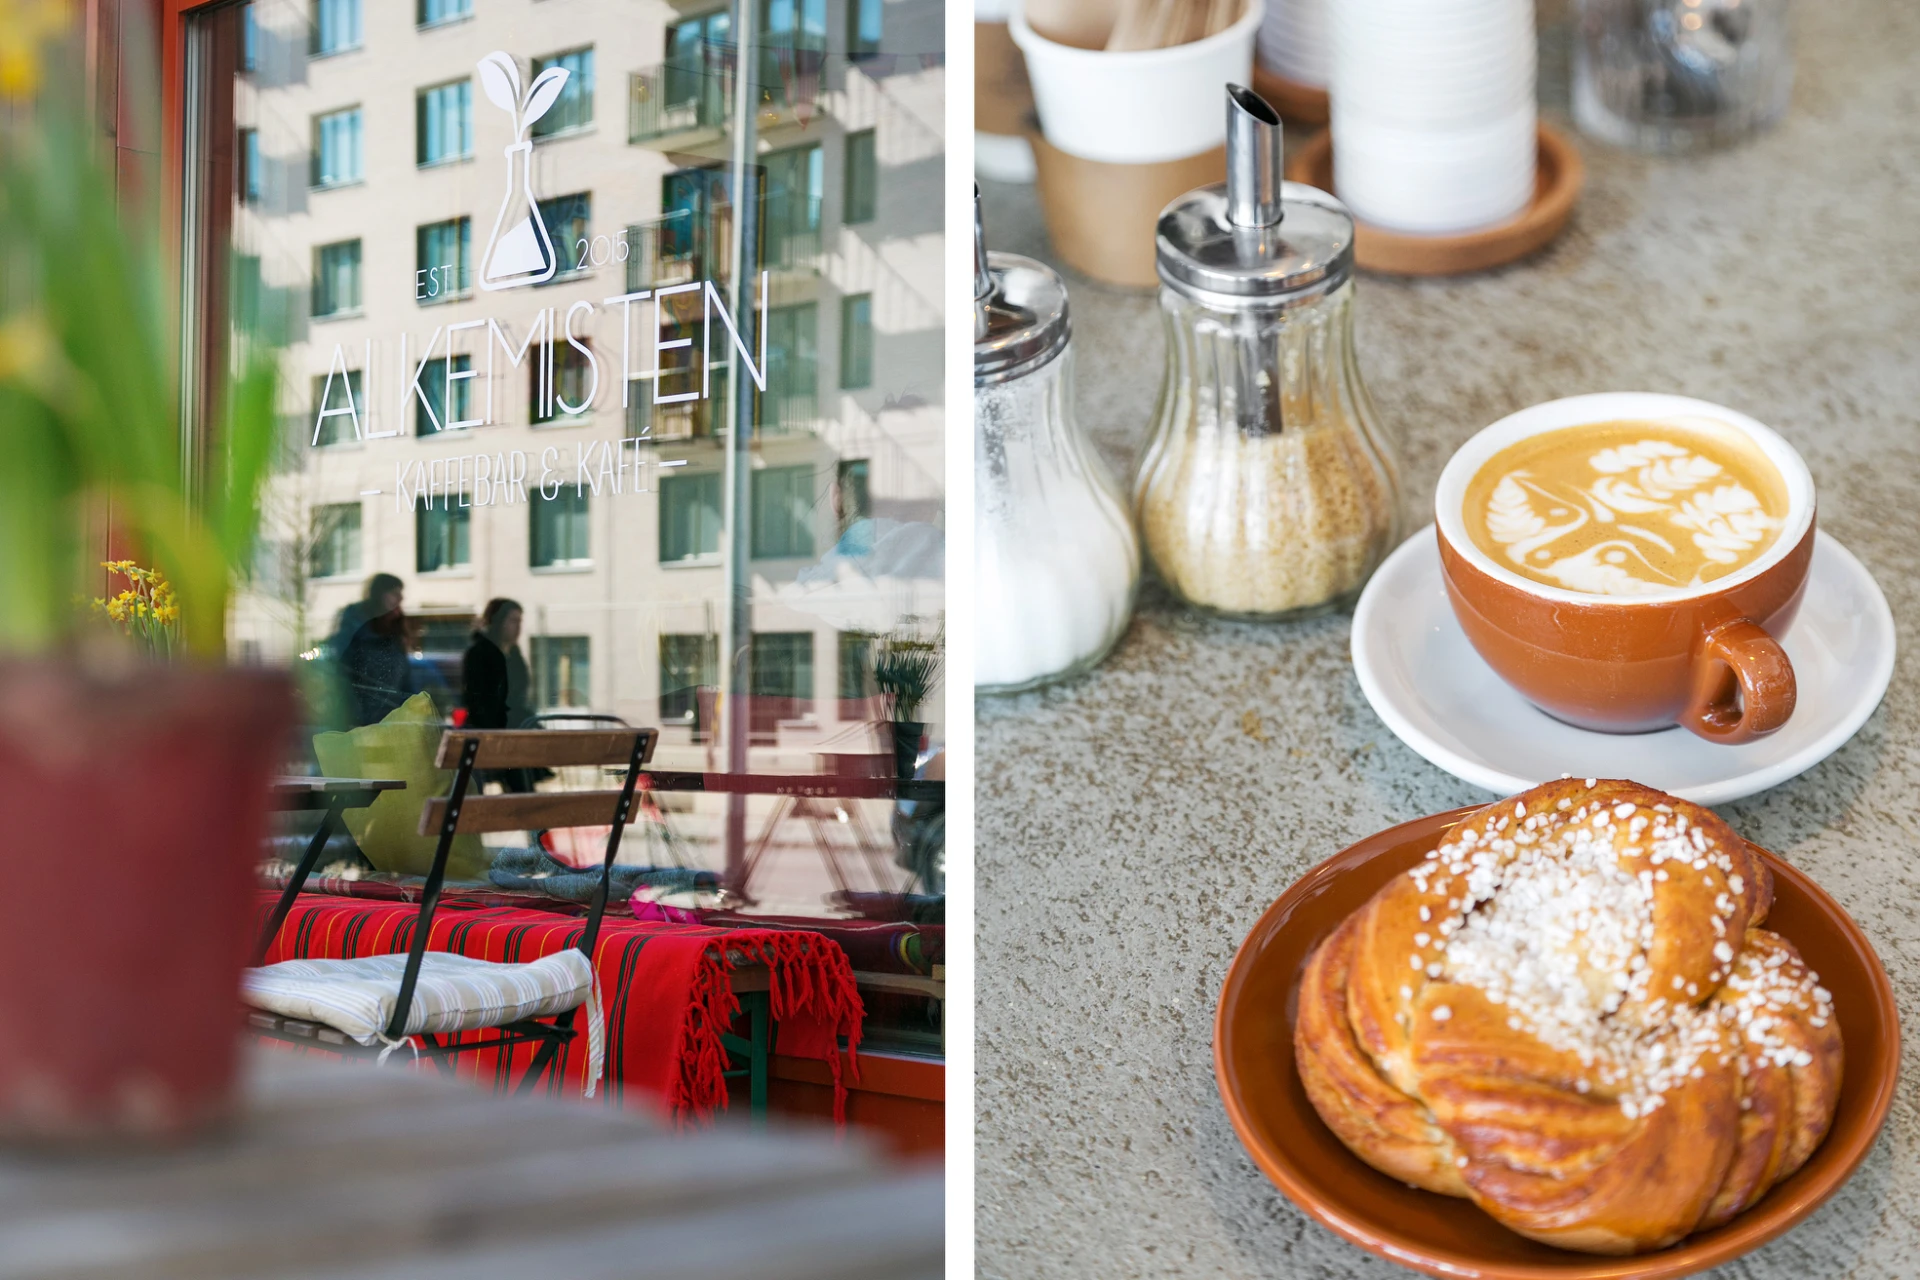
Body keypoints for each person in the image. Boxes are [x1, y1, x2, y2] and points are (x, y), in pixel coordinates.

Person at [462, 598, 537, 791]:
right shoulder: (480, 653)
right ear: (498, 621)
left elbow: (520, 693)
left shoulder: (514, 655)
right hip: (490, 733)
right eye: (513, 621)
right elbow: (478, 701)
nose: (518, 627)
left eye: (520, 621)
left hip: (513, 730)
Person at [332, 573, 415, 727]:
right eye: (395, 594)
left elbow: (405, 681)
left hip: (389, 724)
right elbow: (344, 676)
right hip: (360, 725)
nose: (400, 599)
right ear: (380, 596)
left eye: (401, 594)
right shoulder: (356, 630)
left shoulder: (394, 634)